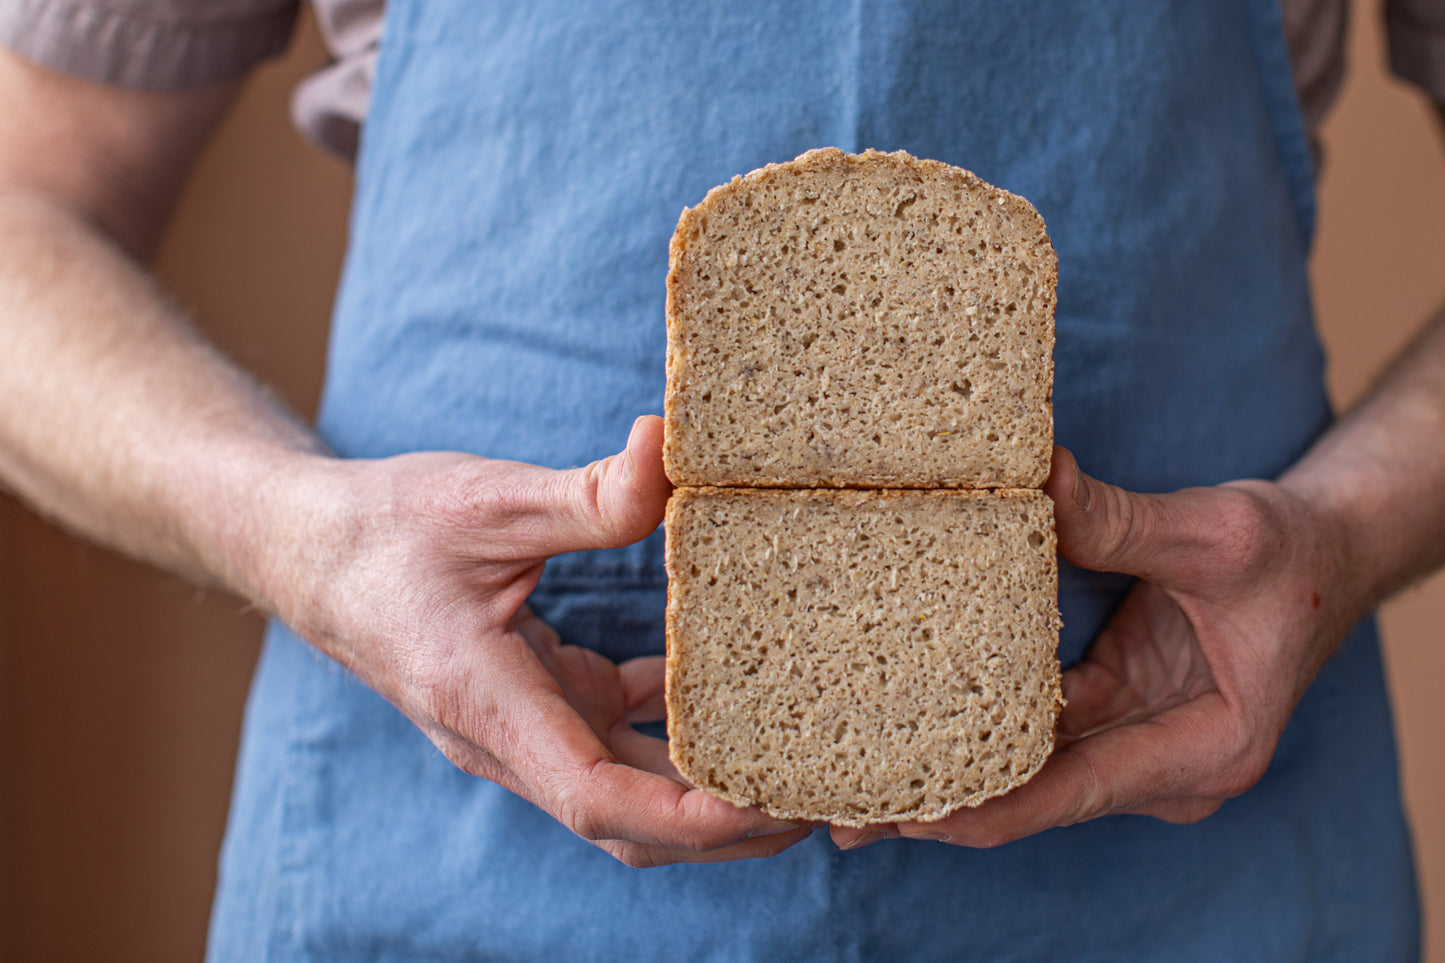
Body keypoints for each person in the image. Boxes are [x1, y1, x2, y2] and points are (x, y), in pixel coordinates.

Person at [0, 0, 1441, 959]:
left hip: (1196, 867)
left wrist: (1348, 531)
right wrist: (305, 543)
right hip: (449, 857)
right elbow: (26, 211)